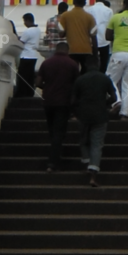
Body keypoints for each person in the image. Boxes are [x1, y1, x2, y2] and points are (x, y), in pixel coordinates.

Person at [71, 59, 118, 186]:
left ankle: (86, 163)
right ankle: (93, 173)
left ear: (85, 66)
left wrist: (77, 110)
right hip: (101, 115)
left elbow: (73, 100)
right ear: (98, 65)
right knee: (97, 144)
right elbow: (114, 97)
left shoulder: (80, 80)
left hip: (84, 115)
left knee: (84, 141)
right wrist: (105, 104)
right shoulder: (105, 79)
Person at [34, 42, 79, 171]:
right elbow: (76, 84)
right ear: (67, 50)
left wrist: (47, 87)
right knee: (59, 131)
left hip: (48, 101)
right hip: (64, 102)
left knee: (52, 129)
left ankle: (56, 150)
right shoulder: (72, 64)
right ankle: (52, 161)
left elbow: (38, 82)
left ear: (56, 50)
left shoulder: (46, 63)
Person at [58, 0, 96, 70]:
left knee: (72, 73)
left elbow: (61, 34)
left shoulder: (65, 16)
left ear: (73, 2)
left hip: (71, 50)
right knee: (85, 73)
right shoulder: (90, 17)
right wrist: (95, 52)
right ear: (85, 3)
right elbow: (93, 36)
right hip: (87, 50)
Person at [14, 12, 41, 97]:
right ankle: (30, 92)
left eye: (24, 21)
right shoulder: (38, 30)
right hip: (33, 55)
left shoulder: (28, 31)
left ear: (28, 20)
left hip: (25, 55)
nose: (24, 23)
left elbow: (21, 42)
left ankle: (21, 93)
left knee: (22, 76)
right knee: (30, 76)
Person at [91, 0, 113, 72]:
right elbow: (110, 27)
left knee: (93, 63)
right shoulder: (109, 11)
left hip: (92, 41)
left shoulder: (89, 9)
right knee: (104, 65)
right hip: (105, 41)